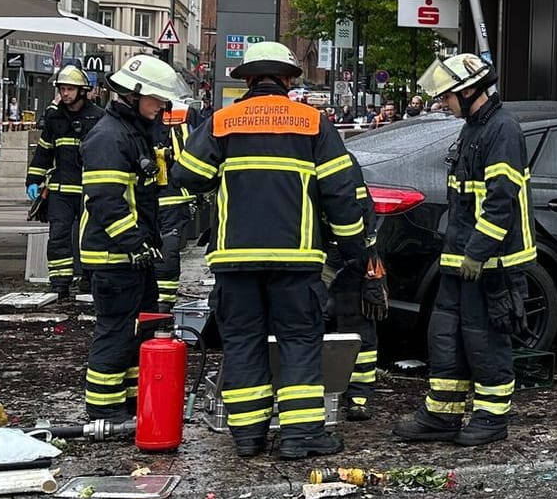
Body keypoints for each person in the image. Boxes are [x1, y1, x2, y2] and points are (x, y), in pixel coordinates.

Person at [174, 42, 366, 459]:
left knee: (243, 341)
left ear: (246, 79)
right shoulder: (313, 122)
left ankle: (247, 436)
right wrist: (355, 248)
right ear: (288, 79)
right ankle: (300, 436)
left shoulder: (223, 122)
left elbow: (186, 175)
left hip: (234, 259)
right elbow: (340, 192)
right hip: (296, 260)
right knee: (299, 340)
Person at [394, 53, 533, 448]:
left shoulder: (502, 130)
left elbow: (501, 200)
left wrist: (478, 252)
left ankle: (492, 416)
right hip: (460, 261)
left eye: (447, 97)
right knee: (446, 336)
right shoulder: (474, 127)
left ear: (469, 90)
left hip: (492, 263)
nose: (443, 103)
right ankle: (443, 413)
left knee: (485, 338)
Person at [78, 56, 187, 423]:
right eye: (155, 99)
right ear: (133, 94)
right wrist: (134, 243)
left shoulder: (132, 132)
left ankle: (128, 404)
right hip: (114, 257)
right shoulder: (110, 137)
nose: (160, 107)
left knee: (137, 332)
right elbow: (108, 201)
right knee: (117, 331)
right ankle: (104, 409)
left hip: (130, 257)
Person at [26, 66, 103, 298]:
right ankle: (59, 282)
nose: (65, 93)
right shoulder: (54, 117)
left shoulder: (98, 117)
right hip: (60, 189)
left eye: (70, 89)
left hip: (90, 189)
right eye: (62, 89)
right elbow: (44, 151)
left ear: (82, 91)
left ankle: (90, 279)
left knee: (90, 235)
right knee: (58, 236)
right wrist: (34, 178)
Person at [325, 155, 388, 421]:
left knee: (357, 328)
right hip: (336, 256)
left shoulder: (336, 161)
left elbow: (359, 210)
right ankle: (334, 391)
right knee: (316, 326)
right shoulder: (340, 158)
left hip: (348, 258)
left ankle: (358, 396)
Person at [153, 98, 197, 311]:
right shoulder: (184, 113)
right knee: (163, 249)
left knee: (166, 248)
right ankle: (161, 301)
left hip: (171, 194)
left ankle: (163, 301)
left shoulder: (183, 113)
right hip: (165, 194)